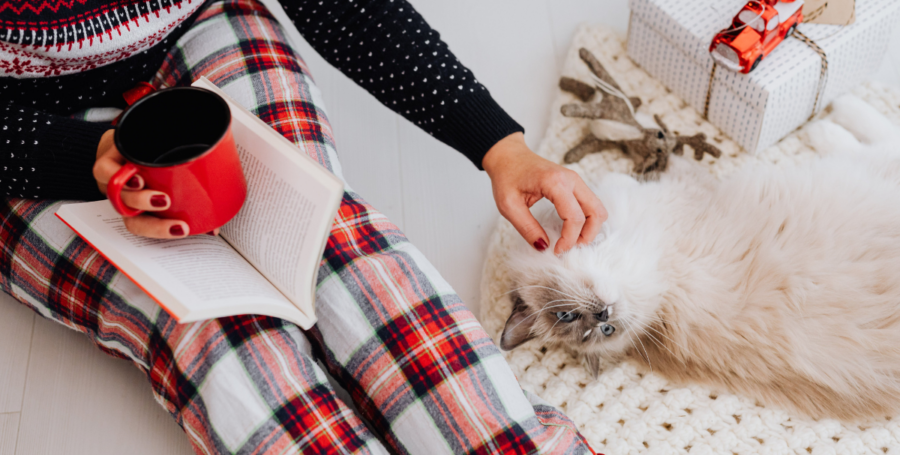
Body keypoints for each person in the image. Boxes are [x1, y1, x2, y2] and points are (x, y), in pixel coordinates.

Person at [0, 0, 605, 453]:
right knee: (213, 328)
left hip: (198, 26)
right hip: (24, 135)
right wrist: (84, 160)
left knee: (329, 242)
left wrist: (500, 146)